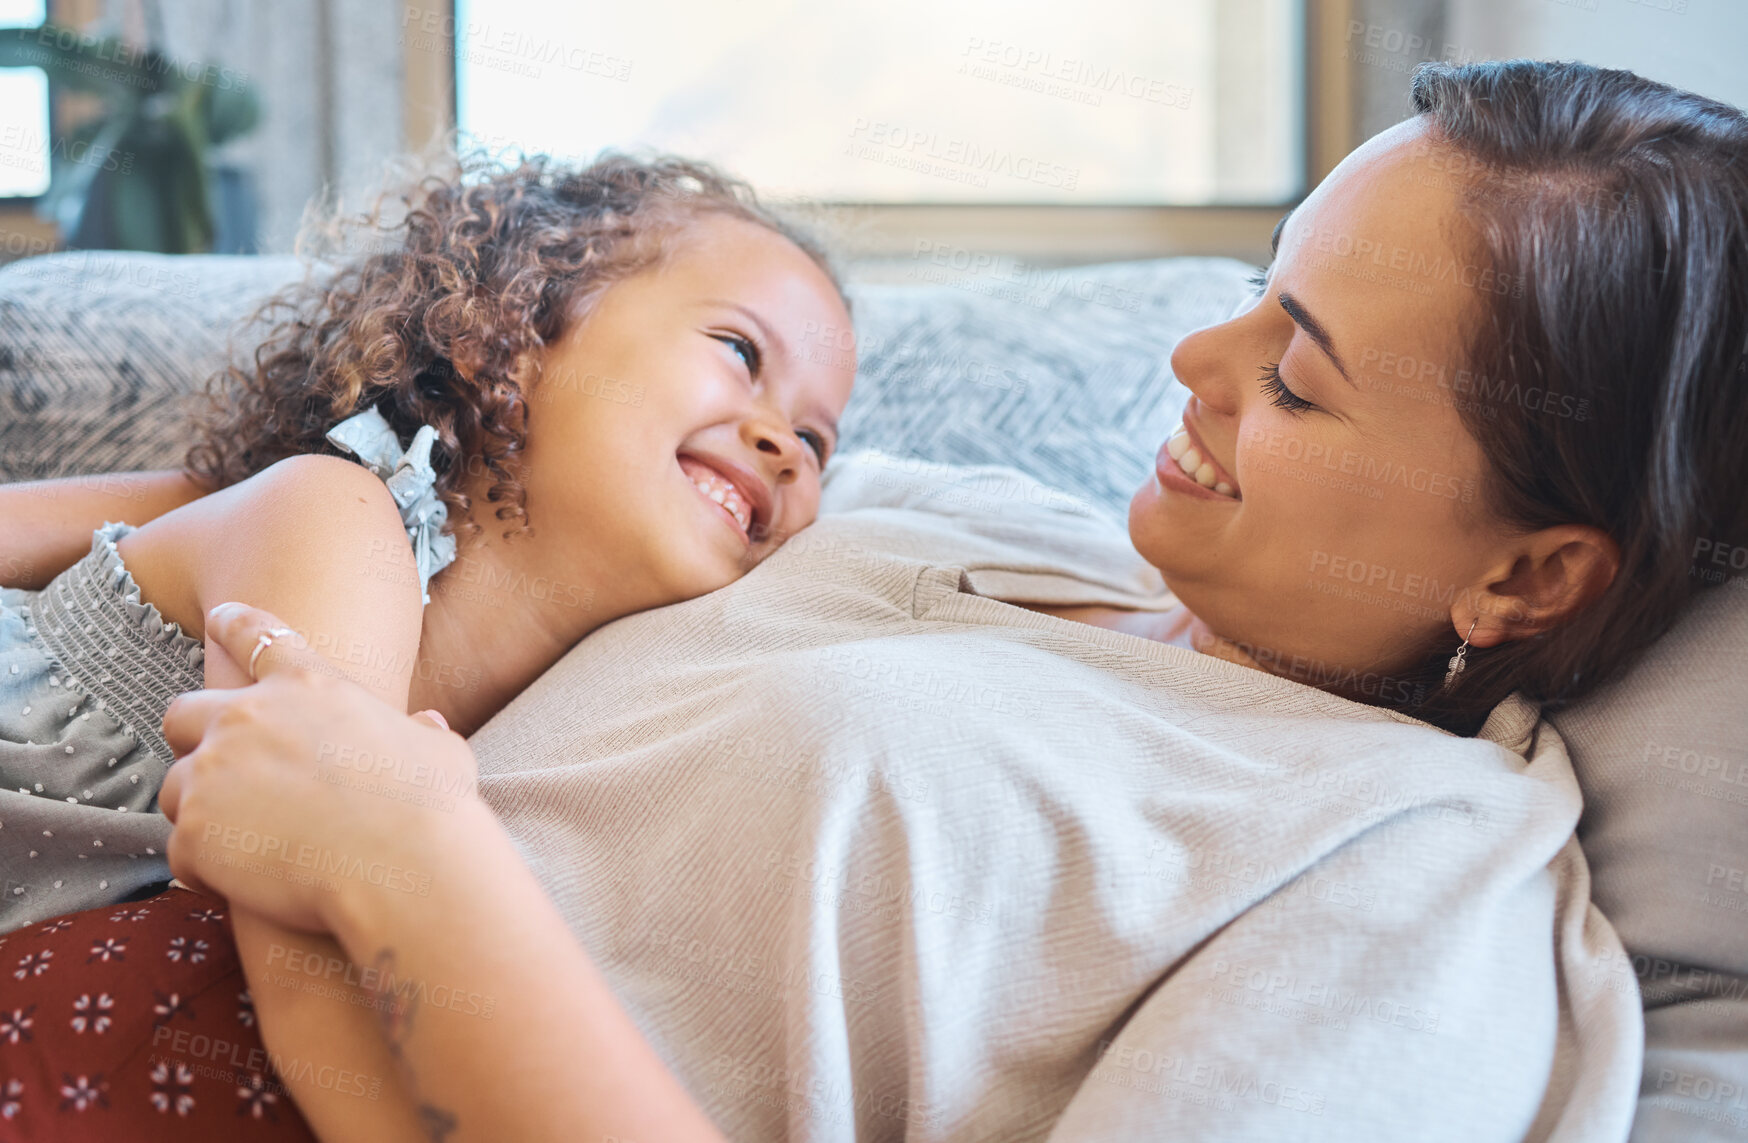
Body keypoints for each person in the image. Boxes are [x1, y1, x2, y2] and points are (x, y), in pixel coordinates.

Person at [5, 59, 1745, 1141]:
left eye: (1294, 381)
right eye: (1250, 291)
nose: (1191, 361)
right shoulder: (934, 514)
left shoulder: (1410, 869)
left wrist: (398, 862)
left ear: (1524, 572)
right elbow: (366, 510)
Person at [0, 152, 855, 1139]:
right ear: (523, 327)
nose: (783, 444)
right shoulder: (335, 523)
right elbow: (317, 1017)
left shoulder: (575, 732)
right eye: (740, 353)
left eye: (819, 441)